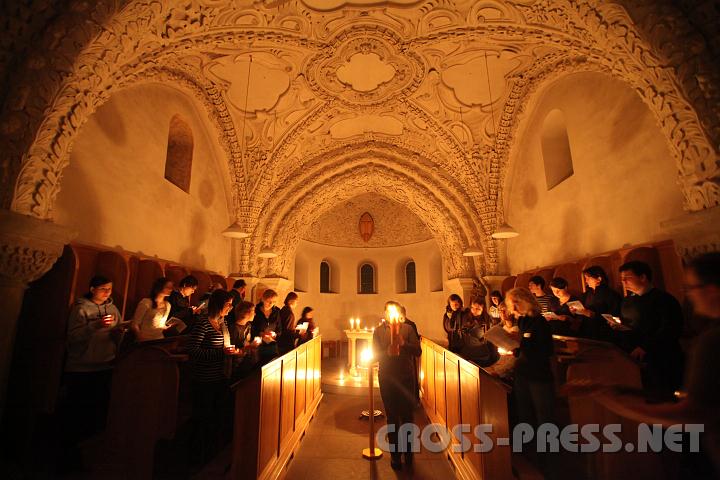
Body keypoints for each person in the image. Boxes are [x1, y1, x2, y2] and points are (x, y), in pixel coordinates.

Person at [60, 275, 123, 471]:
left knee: (98, 414)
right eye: (103, 289)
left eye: (110, 289)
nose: (107, 293)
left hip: (105, 365)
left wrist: (119, 334)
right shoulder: (81, 308)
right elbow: (73, 338)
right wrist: (94, 326)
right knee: (76, 415)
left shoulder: (112, 308)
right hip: (81, 368)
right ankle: (69, 459)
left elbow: (118, 328)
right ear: (92, 289)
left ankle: (91, 457)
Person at [506, 287, 555, 476]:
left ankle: (547, 459)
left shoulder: (539, 322)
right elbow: (524, 347)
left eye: (515, 304)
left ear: (526, 300)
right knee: (524, 414)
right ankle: (528, 453)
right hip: (523, 374)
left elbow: (545, 351)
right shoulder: (523, 321)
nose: (513, 309)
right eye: (512, 305)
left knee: (544, 417)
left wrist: (523, 348)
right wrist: (516, 349)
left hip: (538, 375)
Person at [619, 261, 684, 398]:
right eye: (622, 279)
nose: (623, 282)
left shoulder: (664, 299)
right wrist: (620, 327)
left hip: (663, 359)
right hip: (635, 359)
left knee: (665, 397)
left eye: (627, 278)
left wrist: (645, 347)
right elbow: (631, 326)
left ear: (643, 277)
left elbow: (670, 329)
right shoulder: (627, 301)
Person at [187, 289, 236, 463]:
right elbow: (193, 350)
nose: (230, 308)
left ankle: (210, 450)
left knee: (215, 416)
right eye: (228, 304)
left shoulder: (223, 323)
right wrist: (220, 354)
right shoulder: (203, 323)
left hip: (220, 377)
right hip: (204, 379)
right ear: (217, 304)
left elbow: (224, 347)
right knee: (203, 417)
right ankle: (197, 455)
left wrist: (233, 353)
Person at [373, 301, 421, 470]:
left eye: (395, 311)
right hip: (387, 377)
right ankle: (395, 455)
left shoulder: (408, 329)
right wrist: (385, 352)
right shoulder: (378, 331)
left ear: (400, 313)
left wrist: (404, 343)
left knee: (407, 416)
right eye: (389, 311)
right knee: (392, 417)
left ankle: (408, 453)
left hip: (406, 377)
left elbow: (418, 351)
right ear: (385, 313)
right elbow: (374, 355)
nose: (391, 314)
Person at [569, 265, 622, 340]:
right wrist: (574, 311)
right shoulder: (586, 294)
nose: (586, 281)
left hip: (604, 333)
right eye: (585, 279)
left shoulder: (611, 295)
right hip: (587, 332)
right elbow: (581, 311)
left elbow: (615, 317)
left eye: (588, 278)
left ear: (599, 279)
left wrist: (593, 315)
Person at [130, 277, 173, 341]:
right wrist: (140, 337)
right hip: (145, 339)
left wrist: (167, 327)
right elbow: (135, 324)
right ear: (159, 287)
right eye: (168, 287)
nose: (171, 289)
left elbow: (160, 325)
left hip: (159, 338)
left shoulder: (168, 305)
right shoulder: (146, 303)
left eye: (171, 288)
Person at [228, 301, 260, 378]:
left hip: (248, 363)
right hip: (237, 367)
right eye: (253, 311)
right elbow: (232, 351)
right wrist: (250, 346)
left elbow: (247, 342)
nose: (255, 314)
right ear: (245, 313)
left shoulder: (248, 325)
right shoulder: (233, 329)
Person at [252, 289, 282, 364]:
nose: (271, 304)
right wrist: (261, 334)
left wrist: (275, 334)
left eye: (274, 302)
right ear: (263, 299)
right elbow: (251, 328)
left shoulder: (276, 312)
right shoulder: (256, 311)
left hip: (272, 346)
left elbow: (279, 329)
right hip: (259, 346)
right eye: (269, 301)